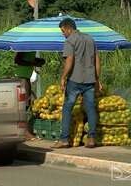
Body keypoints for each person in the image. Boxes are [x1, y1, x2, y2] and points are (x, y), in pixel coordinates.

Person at [52, 18, 102, 149]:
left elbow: (70, 60)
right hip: (90, 80)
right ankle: (91, 138)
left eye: (63, 31)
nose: (63, 34)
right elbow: (97, 60)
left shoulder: (70, 40)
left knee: (67, 108)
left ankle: (64, 139)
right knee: (90, 108)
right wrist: (97, 79)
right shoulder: (90, 39)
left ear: (69, 28)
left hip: (75, 80)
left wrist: (63, 77)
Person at [14, 52, 45, 140]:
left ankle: (23, 130)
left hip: (26, 76)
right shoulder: (24, 46)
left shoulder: (31, 47)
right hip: (22, 76)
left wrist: (37, 61)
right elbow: (17, 60)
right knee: (23, 105)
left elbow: (27, 60)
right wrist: (34, 63)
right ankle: (24, 132)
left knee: (27, 103)